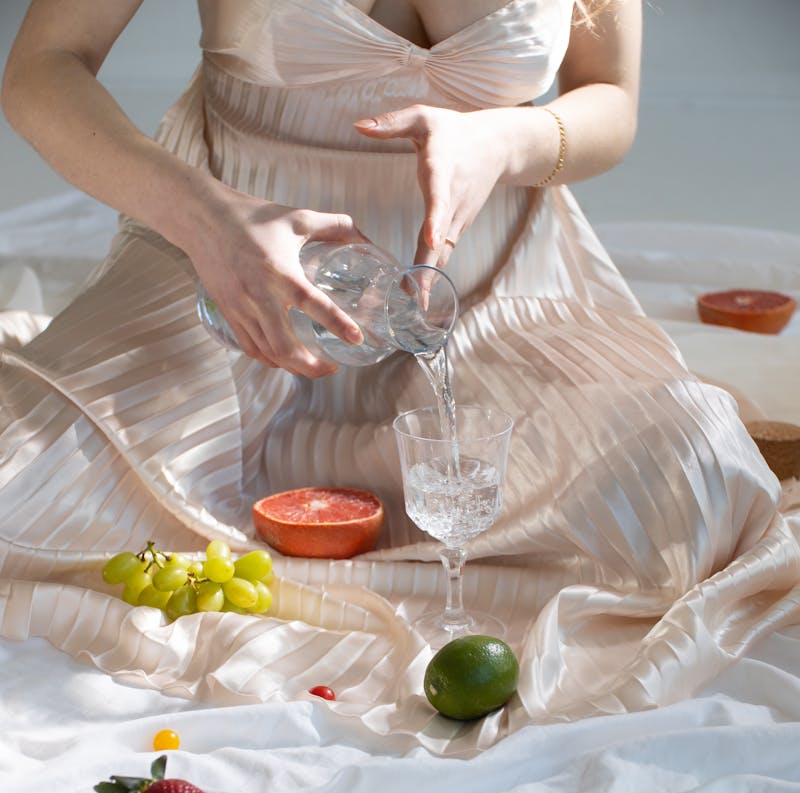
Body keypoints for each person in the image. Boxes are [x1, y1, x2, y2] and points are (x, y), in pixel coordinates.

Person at [1, 0, 798, 737]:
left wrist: (507, 140)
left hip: (487, 295)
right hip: (223, 276)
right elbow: (44, 66)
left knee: (701, 477)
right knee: (17, 483)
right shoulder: (214, 243)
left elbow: (609, 98)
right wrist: (209, 222)